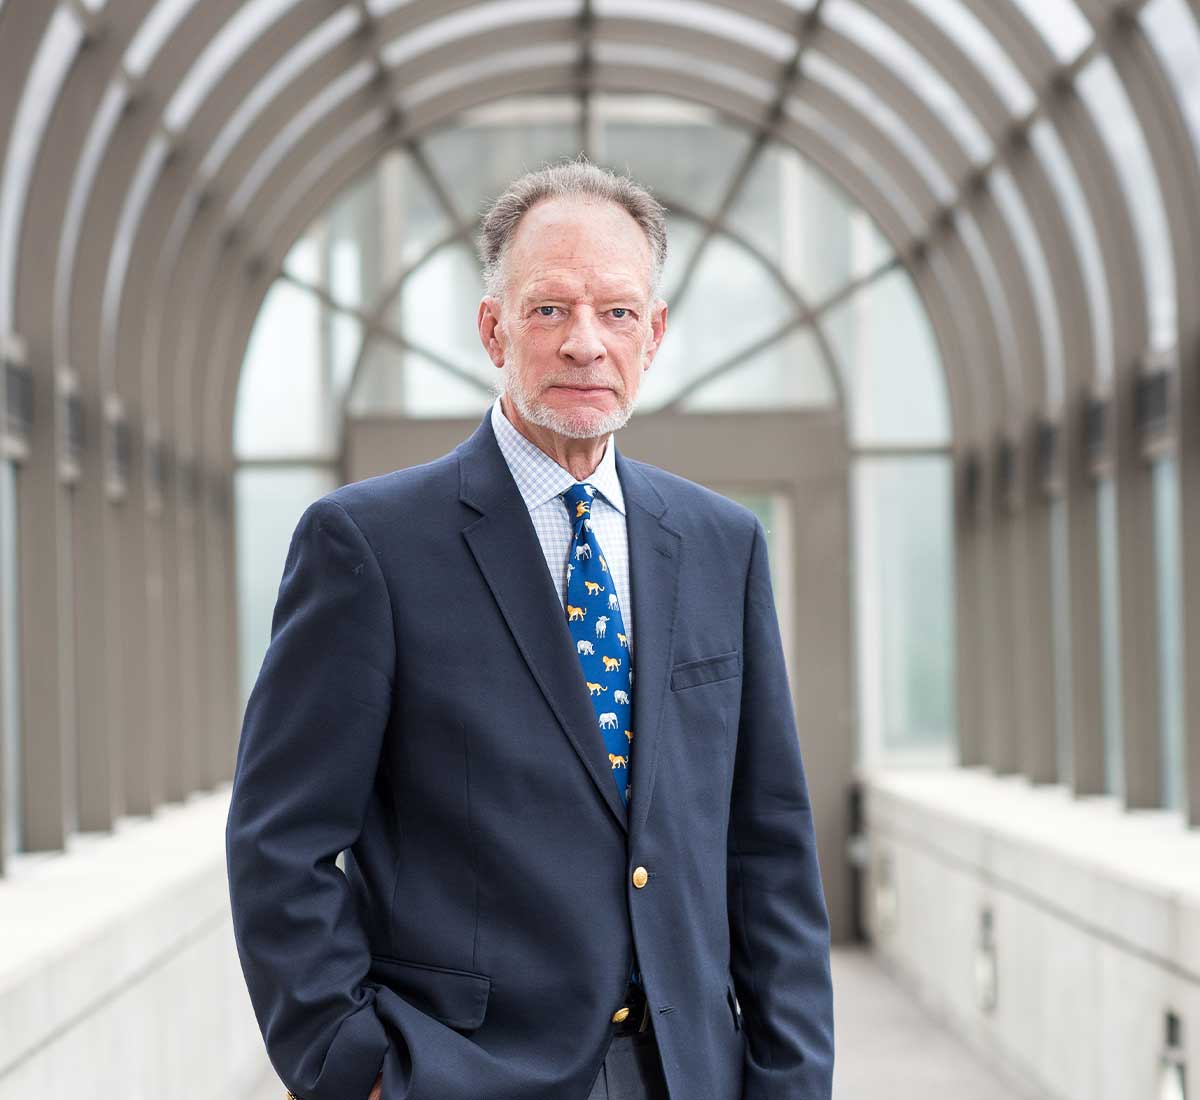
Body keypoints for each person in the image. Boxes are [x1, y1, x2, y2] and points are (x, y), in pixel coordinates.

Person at [225, 159, 834, 1100]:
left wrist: (792, 1082)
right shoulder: (369, 546)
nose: (587, 343)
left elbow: (770, 848)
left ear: (656, 334)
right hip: (462, 1074)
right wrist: (360, 1073)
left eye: (618, 312)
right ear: (492, 328)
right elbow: (281, 844)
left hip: (690, 1074)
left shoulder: (724, 545)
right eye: (551, 309)